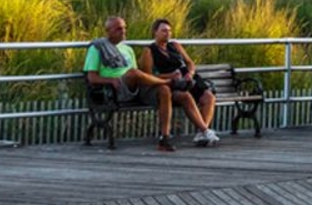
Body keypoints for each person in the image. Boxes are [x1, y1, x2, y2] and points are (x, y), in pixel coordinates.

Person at [84, 16, 179, 151]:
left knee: (164, 90)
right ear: (108, 31)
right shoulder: (97, 48)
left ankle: (165, 137)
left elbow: (139, 76)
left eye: (124, 28)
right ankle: (168, 81)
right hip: (114, 89)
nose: (123, 31)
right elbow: (91, 77)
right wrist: (110, 80)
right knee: (133, 73)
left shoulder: (128, 49)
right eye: (118, 29)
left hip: (136, 87)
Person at [140, 19, 220, 147]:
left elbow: (190, 63)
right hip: (170, 83)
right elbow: (148, 76)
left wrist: (190, 73)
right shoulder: (149, 51)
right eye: (164, 31)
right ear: (155, 32)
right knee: (185, 96)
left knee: (209, 96)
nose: (168, 33)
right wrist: (170, 76)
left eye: (169, 31)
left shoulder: (175, 46)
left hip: (186, 80)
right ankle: (206, 131)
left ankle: (201, 133)